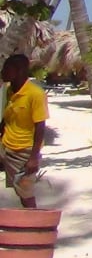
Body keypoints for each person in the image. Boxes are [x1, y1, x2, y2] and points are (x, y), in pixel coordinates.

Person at [1, 54, 48, 208]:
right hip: (7, 146)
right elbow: (9, 117)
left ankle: (34, 223)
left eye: (6, 69)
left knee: (25, 191)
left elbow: (40, 127)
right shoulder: (10, 90)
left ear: (19, 71)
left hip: (24, 150)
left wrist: (34, 157)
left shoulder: (35, 94)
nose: (2, 72)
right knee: (18, 189)